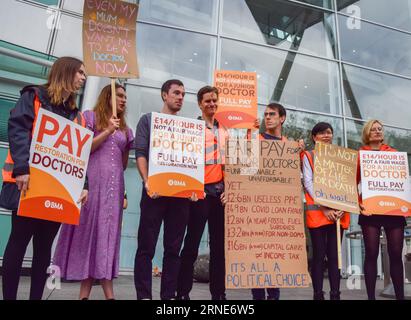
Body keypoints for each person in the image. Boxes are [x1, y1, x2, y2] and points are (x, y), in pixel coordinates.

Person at [0, 57, 88, 300]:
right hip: (28, 184)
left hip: (58, 190)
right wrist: (21, 168)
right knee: (18, 243)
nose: (82, 78)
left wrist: (84, 185)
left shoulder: (77, 116)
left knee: (43, 249)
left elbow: (79, 156)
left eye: (84, 75)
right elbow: (17, 130)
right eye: (80, 72)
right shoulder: (34, 97)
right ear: (66, 72)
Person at [52, 83, 133, 300]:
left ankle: (108, 295)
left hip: (115, 188)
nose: (124, 100)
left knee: (107, 237)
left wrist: (124, 140)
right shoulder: (90, 117)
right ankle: (85, 295)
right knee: (91, 233)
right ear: (108, 96)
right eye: (119, 95)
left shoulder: (126, 128)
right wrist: (108, 130)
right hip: (92, 184)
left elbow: (123, 165)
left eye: (125, 96)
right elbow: (83, 149)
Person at [134, 79, 197, 300]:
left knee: (173, 249)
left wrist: (193, 187)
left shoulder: (189, 128)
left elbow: (192, 162)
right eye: (176, 93)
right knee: (146, 248)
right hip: (154, 193)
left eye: (183, 94)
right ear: (164, 95)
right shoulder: (148, 121)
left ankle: (168, 297)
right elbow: (140, 152)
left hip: (179, 198)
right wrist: (146, 180)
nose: (180, 97)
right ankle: (144, 296)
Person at [177, 86, 229, 300]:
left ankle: (218, 294)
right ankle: (182, 293)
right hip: (199, 195)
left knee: (219, 249)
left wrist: (229, 188)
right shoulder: (193, 128)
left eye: (215, 100)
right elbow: (185, 161)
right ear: (200, 103)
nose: (212, 104)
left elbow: (230, 164)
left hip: (219, 195)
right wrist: (191, 188)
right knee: (191, 245)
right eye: (208, 101)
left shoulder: (225, 130)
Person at [300, 122, 350, 300]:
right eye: (321, 133)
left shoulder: (341, 157)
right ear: (314, 137)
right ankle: (318, 294)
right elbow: (308, 182)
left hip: (338, 215)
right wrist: (325, 207)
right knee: (319, 256)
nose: (326, 135)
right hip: (318, 215)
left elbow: (347, 184)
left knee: (335, 257)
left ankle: (335, 294)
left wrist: (343, 207)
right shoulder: (309, 156)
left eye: (329, 132)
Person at [358, 120, 405, 300]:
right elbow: (350, 183)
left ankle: (400, 296)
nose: (377, 132)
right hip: (370, 210)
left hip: (393, 210)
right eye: (373, 129)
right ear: (367, 133)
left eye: (380, 129)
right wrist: (358, 203)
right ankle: (371, 297)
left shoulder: (393, 153)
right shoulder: (360, 154)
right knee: (371, 253)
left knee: (395, 253)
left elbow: (401, 180)